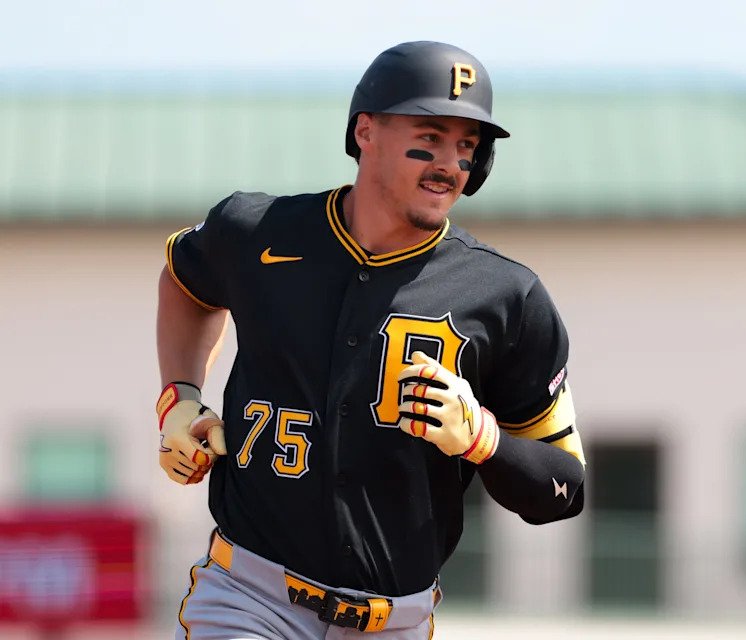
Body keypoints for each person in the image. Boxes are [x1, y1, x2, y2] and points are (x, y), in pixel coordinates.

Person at [155, 40, 586, 640]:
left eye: (467, 146)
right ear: (365, 131)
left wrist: (483, 440)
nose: (449, 164)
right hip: (250, 597)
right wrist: (179, 396)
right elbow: (184, 282)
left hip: (395, 623)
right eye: (430, 136)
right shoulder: (256, 231)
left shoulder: (507, 295)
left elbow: (563, 488)